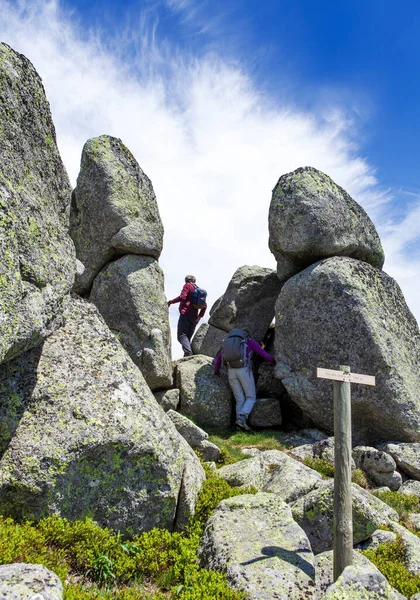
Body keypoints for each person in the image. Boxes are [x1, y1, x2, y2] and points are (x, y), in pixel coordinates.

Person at [214, 329, 275, 432]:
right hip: (244, 370)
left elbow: (219, 359)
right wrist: (273, 361)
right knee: (251, 397)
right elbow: (262, 353)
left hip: (231, 371)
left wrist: (216, 371)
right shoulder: (249, 341)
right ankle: (242, 419)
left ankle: (239, 426)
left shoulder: (230, 344)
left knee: (240, 399)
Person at [167, 275, 207, 357]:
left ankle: (188, 353)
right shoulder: (199, 291)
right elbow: (205, 306)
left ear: (186, 281)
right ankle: (187, 355)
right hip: (194, 317)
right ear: (194, 281)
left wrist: (171, 302)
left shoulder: (187, 286)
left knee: (181, 336)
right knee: (187, 338)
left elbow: (182, 297)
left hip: (185, 314)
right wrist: (199, 317)